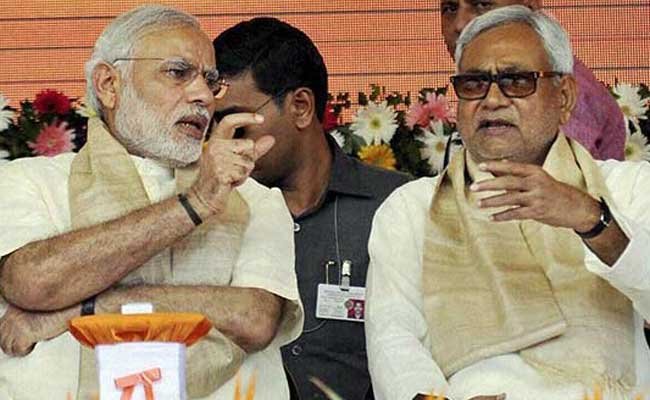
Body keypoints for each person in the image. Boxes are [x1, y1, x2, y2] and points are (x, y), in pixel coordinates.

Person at [0, 5, 303, 400]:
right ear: (109, 85)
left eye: (210, 80)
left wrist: (79, 311)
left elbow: (253, 318)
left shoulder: (253, 197)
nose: (202, 96)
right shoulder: (30, 181)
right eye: (178, 73)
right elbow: (32, 283)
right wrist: (194, 204)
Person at [366, 6, 650, 400]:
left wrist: (591, 219)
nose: (492, 100)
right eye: (474, 84)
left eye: (516, 81)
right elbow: (393, 337)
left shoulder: (628, 188)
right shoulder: (411, 209)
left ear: (564, 97)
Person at [212, 17, 410, 400]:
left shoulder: (396, 206)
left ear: (301, 106)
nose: (222, 141)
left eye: (237, 124)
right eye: (211, 126)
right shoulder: (213, 215)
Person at [439, 0, 626, 160]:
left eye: (482, 4)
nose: (460, 24)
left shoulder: (555, 87)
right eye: (450, 8)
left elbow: (555, 181)